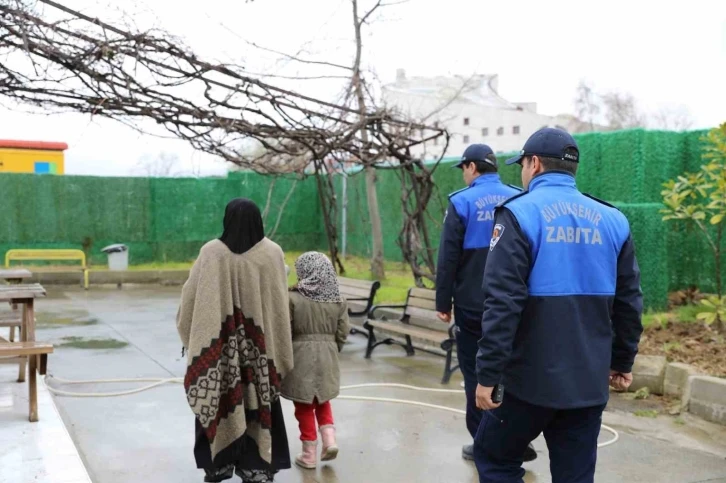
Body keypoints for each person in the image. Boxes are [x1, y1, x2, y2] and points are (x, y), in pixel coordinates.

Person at [473, 127, 643, 483]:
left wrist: (488, 374)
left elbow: (503, 302)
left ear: (534, 164)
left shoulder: (518, 214)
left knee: (495, 459)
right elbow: (629, 301)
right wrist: (622, 361)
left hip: (525, 384)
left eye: (521, 164)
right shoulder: (614, 220)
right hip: (587, 384)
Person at [176, 198, 294, 483]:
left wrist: (193, 337)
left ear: (226, 219)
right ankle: (256, 467)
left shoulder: (211, 252)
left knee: (217, 398)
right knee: (260, 404)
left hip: (218, 356)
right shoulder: (272, 253)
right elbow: (280, 308)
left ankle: (217, 465)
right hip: (261, 356)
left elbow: (189, 303)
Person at [434, 144, 536, 463]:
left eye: (464, 168)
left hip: (471, 305)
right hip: (513, 305)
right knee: (509, 371)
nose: (464, 175)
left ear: (472, 168)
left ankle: (484, 442)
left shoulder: (461, 202)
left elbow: (448, 258)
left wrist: (443, 302)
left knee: (476, 374)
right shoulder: (518, 198)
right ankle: (517, 438)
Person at [281, 251, 350, 470]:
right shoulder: (338, 299)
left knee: (303, 405)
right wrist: (331, 349)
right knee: (323, 400)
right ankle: (329, 440)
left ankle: (309, 455)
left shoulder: (292, 298)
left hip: (300, 357)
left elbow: (285, 332)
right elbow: (343, 332)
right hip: (328, 356)